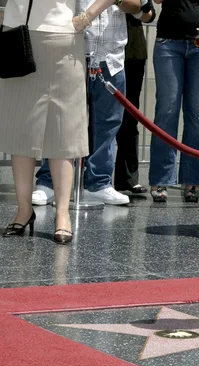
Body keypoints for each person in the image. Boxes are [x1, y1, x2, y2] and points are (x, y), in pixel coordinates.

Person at [0, 0, 126, 243]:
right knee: (21, 130)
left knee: (64, 129)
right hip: (18, 35)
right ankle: (23, 210)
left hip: (64, 38)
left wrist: (87, 16)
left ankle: (62, 214)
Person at [32, 0, 141, 206]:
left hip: (111, 54)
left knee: (108, 122)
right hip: (70, 51)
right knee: (60, 119)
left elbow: (137, 6)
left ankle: (99, 183)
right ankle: (48, 182)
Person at [148, 0, 199, 203]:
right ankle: (161, 179)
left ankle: (192, 180)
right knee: (167, 109)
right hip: (169, 42)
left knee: (197, 111)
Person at [114, 0, 156, 195]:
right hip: (99, 51)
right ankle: (91, 176)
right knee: (94, 115)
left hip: (132, 52)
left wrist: (135, 10)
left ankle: (128, 177)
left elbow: (150, 13)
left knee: (129, 117)